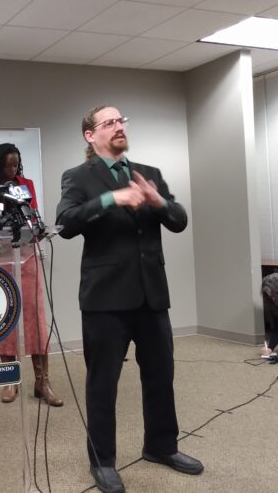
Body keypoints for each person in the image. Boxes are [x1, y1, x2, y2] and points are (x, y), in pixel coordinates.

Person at [56, 106, 203, 493]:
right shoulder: (79, 177)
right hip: (105, 299)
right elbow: (66, 223)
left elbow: (179, 220)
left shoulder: (149, 174)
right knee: (103, 383)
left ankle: (161, 446)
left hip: (151, 295)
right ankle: (102, 460)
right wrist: (111, 199)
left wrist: (158, 201)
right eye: (109, 123)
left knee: (160, 375)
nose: (119, 127)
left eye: (122, 121)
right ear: (90, 135)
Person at [0, 143, 63, 407]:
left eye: (16, 164)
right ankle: (10, 379)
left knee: (36, 321)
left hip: (27, 259)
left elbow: (34, 219)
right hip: (0, 260)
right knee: (6, 320)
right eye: (7, 165)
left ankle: (43, 381)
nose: (12, 169)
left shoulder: (25, 184)